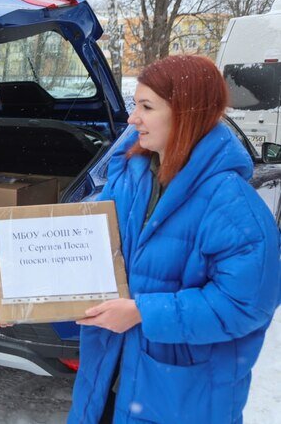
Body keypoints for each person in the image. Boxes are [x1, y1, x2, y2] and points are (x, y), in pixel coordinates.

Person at [67, 55, 280, 423]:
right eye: (136, 105)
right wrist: (18, 294)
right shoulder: (129, 179)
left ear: (187, 113)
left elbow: (244, 306)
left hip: (179, 397)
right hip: (107, 383)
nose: (133, 119)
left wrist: (142, 313)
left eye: (147, 107)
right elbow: (86, 250)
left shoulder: (232, 205)